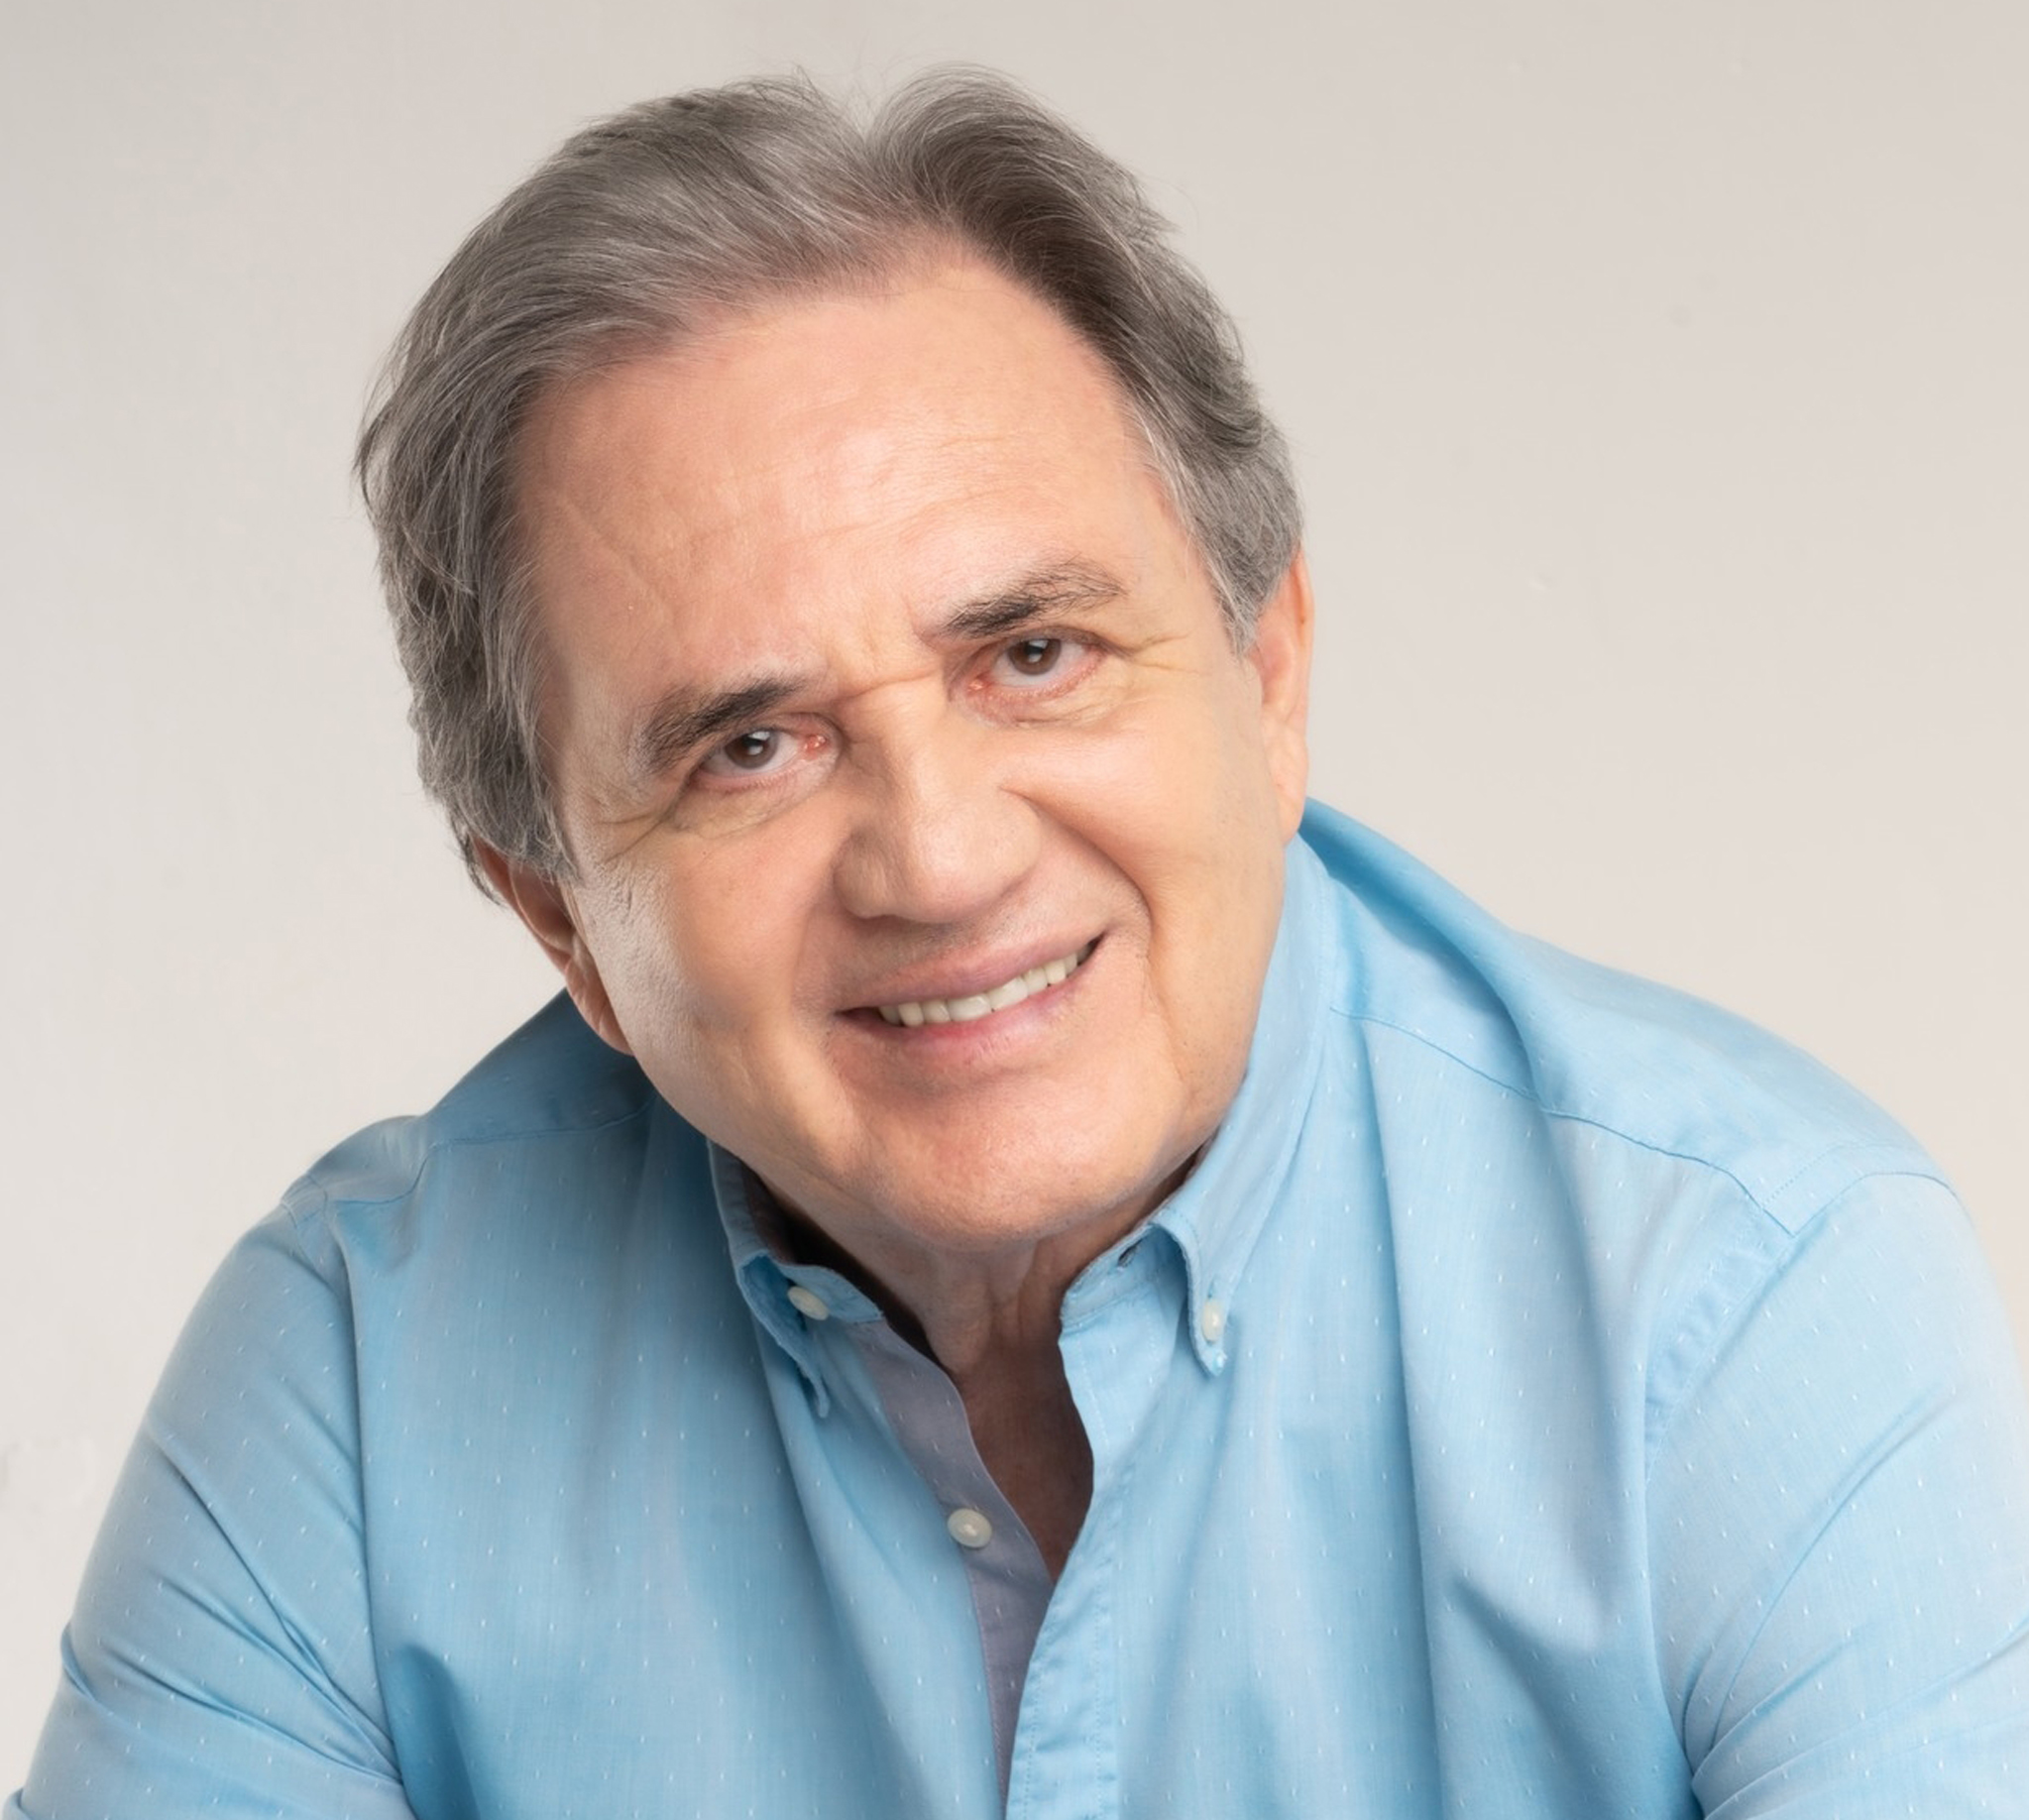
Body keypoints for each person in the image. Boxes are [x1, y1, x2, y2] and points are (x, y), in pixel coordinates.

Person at [12, 67, 2028, 1820]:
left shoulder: (1748, 1302)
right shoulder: (355, 1386)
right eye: (749, 747)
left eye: (1035, 653)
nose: (942, 858)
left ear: (1268, 672)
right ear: (563, 923)